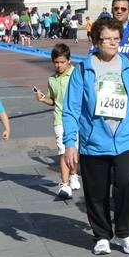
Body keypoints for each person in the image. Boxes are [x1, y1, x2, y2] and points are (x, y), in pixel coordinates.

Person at [62, 17, 129, 255]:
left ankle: (126, 233)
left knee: (125, 184)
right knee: (96, 191)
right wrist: (70, 143)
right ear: (96, 41)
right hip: (94, 141)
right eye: (107, 39)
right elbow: (71, 109)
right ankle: (102, 235)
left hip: (126, 138)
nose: (112, 43)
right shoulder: (83, 70)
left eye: (116, 39)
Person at [34, 43, 80, 199]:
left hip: (77, 119)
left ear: (69, 60)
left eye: (62, 62)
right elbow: (52, 100)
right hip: (60, 119)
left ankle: (74, 174)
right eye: (56, 62)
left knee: (74, 150)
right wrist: (42, 98)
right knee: (63, 151)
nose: (59, 65)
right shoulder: (52, 79)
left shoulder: (77, 74)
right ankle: (65, 185)